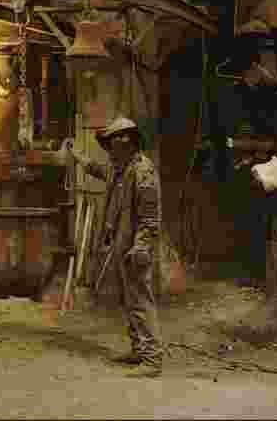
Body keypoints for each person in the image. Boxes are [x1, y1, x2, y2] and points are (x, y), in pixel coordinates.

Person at [70, 116, 163, 378]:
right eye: (108, 145)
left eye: (113, 144)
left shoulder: (143, 171)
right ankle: (138, 349)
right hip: (121, 245)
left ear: (128, 143)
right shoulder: (118, 168)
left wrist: (141, 247)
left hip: (135, 248)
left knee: (141, 301)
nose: (109, 150)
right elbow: (96, 169)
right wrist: (76, 155)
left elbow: (150, 217)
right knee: (129, 301)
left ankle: (152, 358)